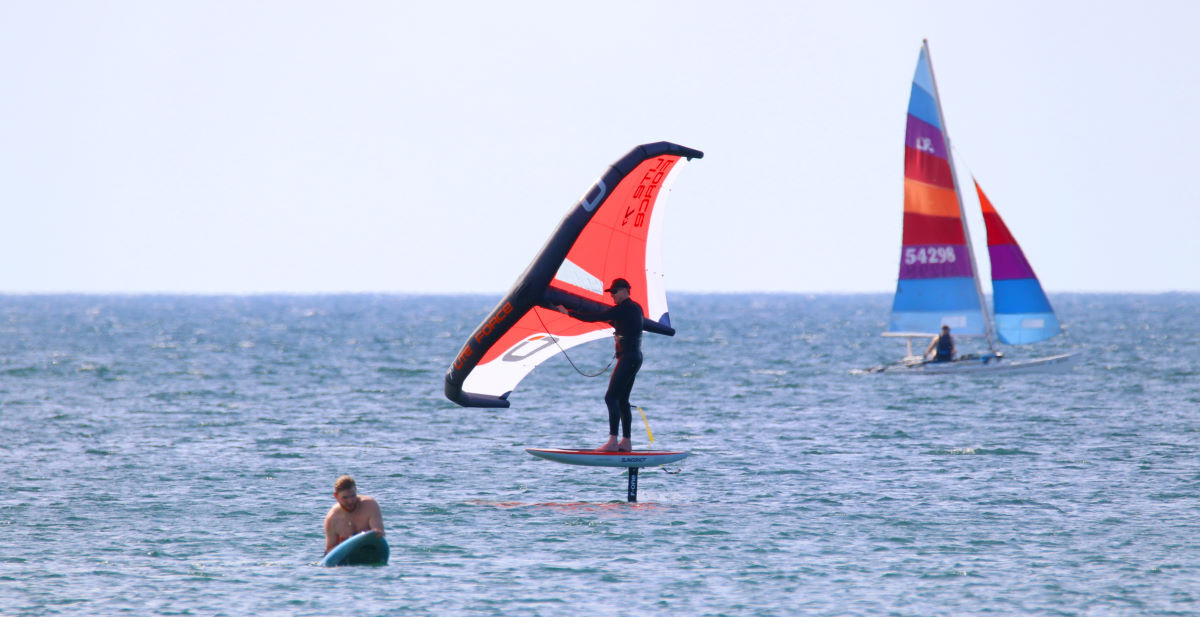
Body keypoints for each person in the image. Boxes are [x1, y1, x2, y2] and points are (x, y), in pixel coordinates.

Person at [554, 277, 643, 452]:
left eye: (614, 292)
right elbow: (617, 321)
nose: (613, 297)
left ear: (625, 290)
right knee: (623, 400)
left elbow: (596, 317)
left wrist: (568, 312)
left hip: (628, 358)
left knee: (610, 397)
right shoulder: (635, 309)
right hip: (635, 357)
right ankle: (626, 442)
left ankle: (612, 441)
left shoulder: (624, 309)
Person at [323, 475, 385, 554]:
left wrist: (376, 533)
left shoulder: (370, 506)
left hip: (368, 549)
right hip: (345, 557)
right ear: (336, 496)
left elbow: (380, 534)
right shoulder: (332, 518)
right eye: (345, 498)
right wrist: (348, 544)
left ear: (356, 490)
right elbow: (329, 550)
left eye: (353, 496)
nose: (350, 501)